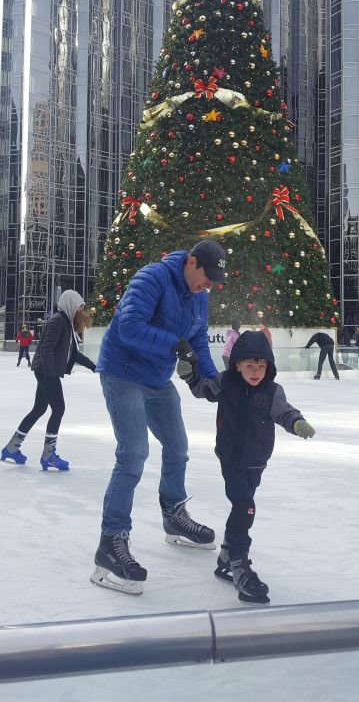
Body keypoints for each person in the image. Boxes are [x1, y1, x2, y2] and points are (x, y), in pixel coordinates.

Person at [91, 240, 226, 595]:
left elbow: (197, 339)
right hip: (122, 373)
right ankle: (111, 542)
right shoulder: (151, 277)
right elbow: (129, 328)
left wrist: (211, 378)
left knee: (178, 447)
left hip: (156, 378)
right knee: (133, 454)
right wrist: (173, 345)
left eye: (213, 281)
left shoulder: (199, 294)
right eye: (206, 277)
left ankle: (174, 515)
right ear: (191, 262)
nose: (207, 285)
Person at [176, 330, 315, 605]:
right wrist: (189, 374)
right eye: (250, 366)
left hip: (257, 461)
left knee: (244, 504)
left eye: (262, 366)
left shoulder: (272, 390)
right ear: (237, 364)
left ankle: (227, 554)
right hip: (231, 459)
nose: (256, 372)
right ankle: (239, 564)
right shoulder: (225, 382)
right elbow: (201, 389)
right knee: (244, 506)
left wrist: (297, 422)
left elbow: (284, 412)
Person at [2, 291, 96, 470]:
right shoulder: (58, 321)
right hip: (46, 371)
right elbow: (45, 349)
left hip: (46, 371)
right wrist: (51, 374)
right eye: (79, 307)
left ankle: (11, 448)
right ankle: (48, 455)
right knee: (58, 409)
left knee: (39, 409)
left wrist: (93, 366)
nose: (81, 311)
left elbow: (73, 354)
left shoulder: (66, 323)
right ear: (70, 305)